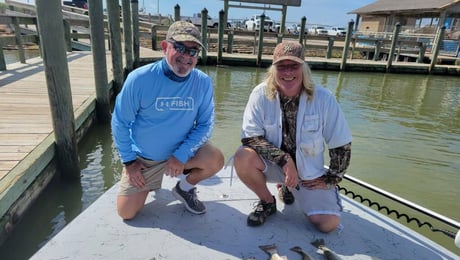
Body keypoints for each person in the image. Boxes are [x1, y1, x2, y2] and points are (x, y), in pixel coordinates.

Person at [233, 41, 352, 233]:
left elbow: (341, 143)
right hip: (274, 165)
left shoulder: (324, 98)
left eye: (294, 66)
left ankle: (289, 189)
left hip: (309, 174)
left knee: (328, 225)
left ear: (304, 68)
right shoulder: (259, 94)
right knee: (242, 156)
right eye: (282, 66)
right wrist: (285, 160)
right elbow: (250, 138)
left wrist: (332, 178)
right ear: (273, 69)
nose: (288, 72)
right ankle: (267, 201)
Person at [111, 21, 224, 220]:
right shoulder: (139, 79)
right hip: (145, 160)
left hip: (182, 156)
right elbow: (120, 123)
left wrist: (181, 154)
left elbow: (206, 124)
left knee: (215, 158)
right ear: (165, 47)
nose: (186, 57)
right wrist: (129, 162)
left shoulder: (203, 82)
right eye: (180, 48)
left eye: (193, 51)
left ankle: (185, 188)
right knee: (126, 212)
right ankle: (148, 181)